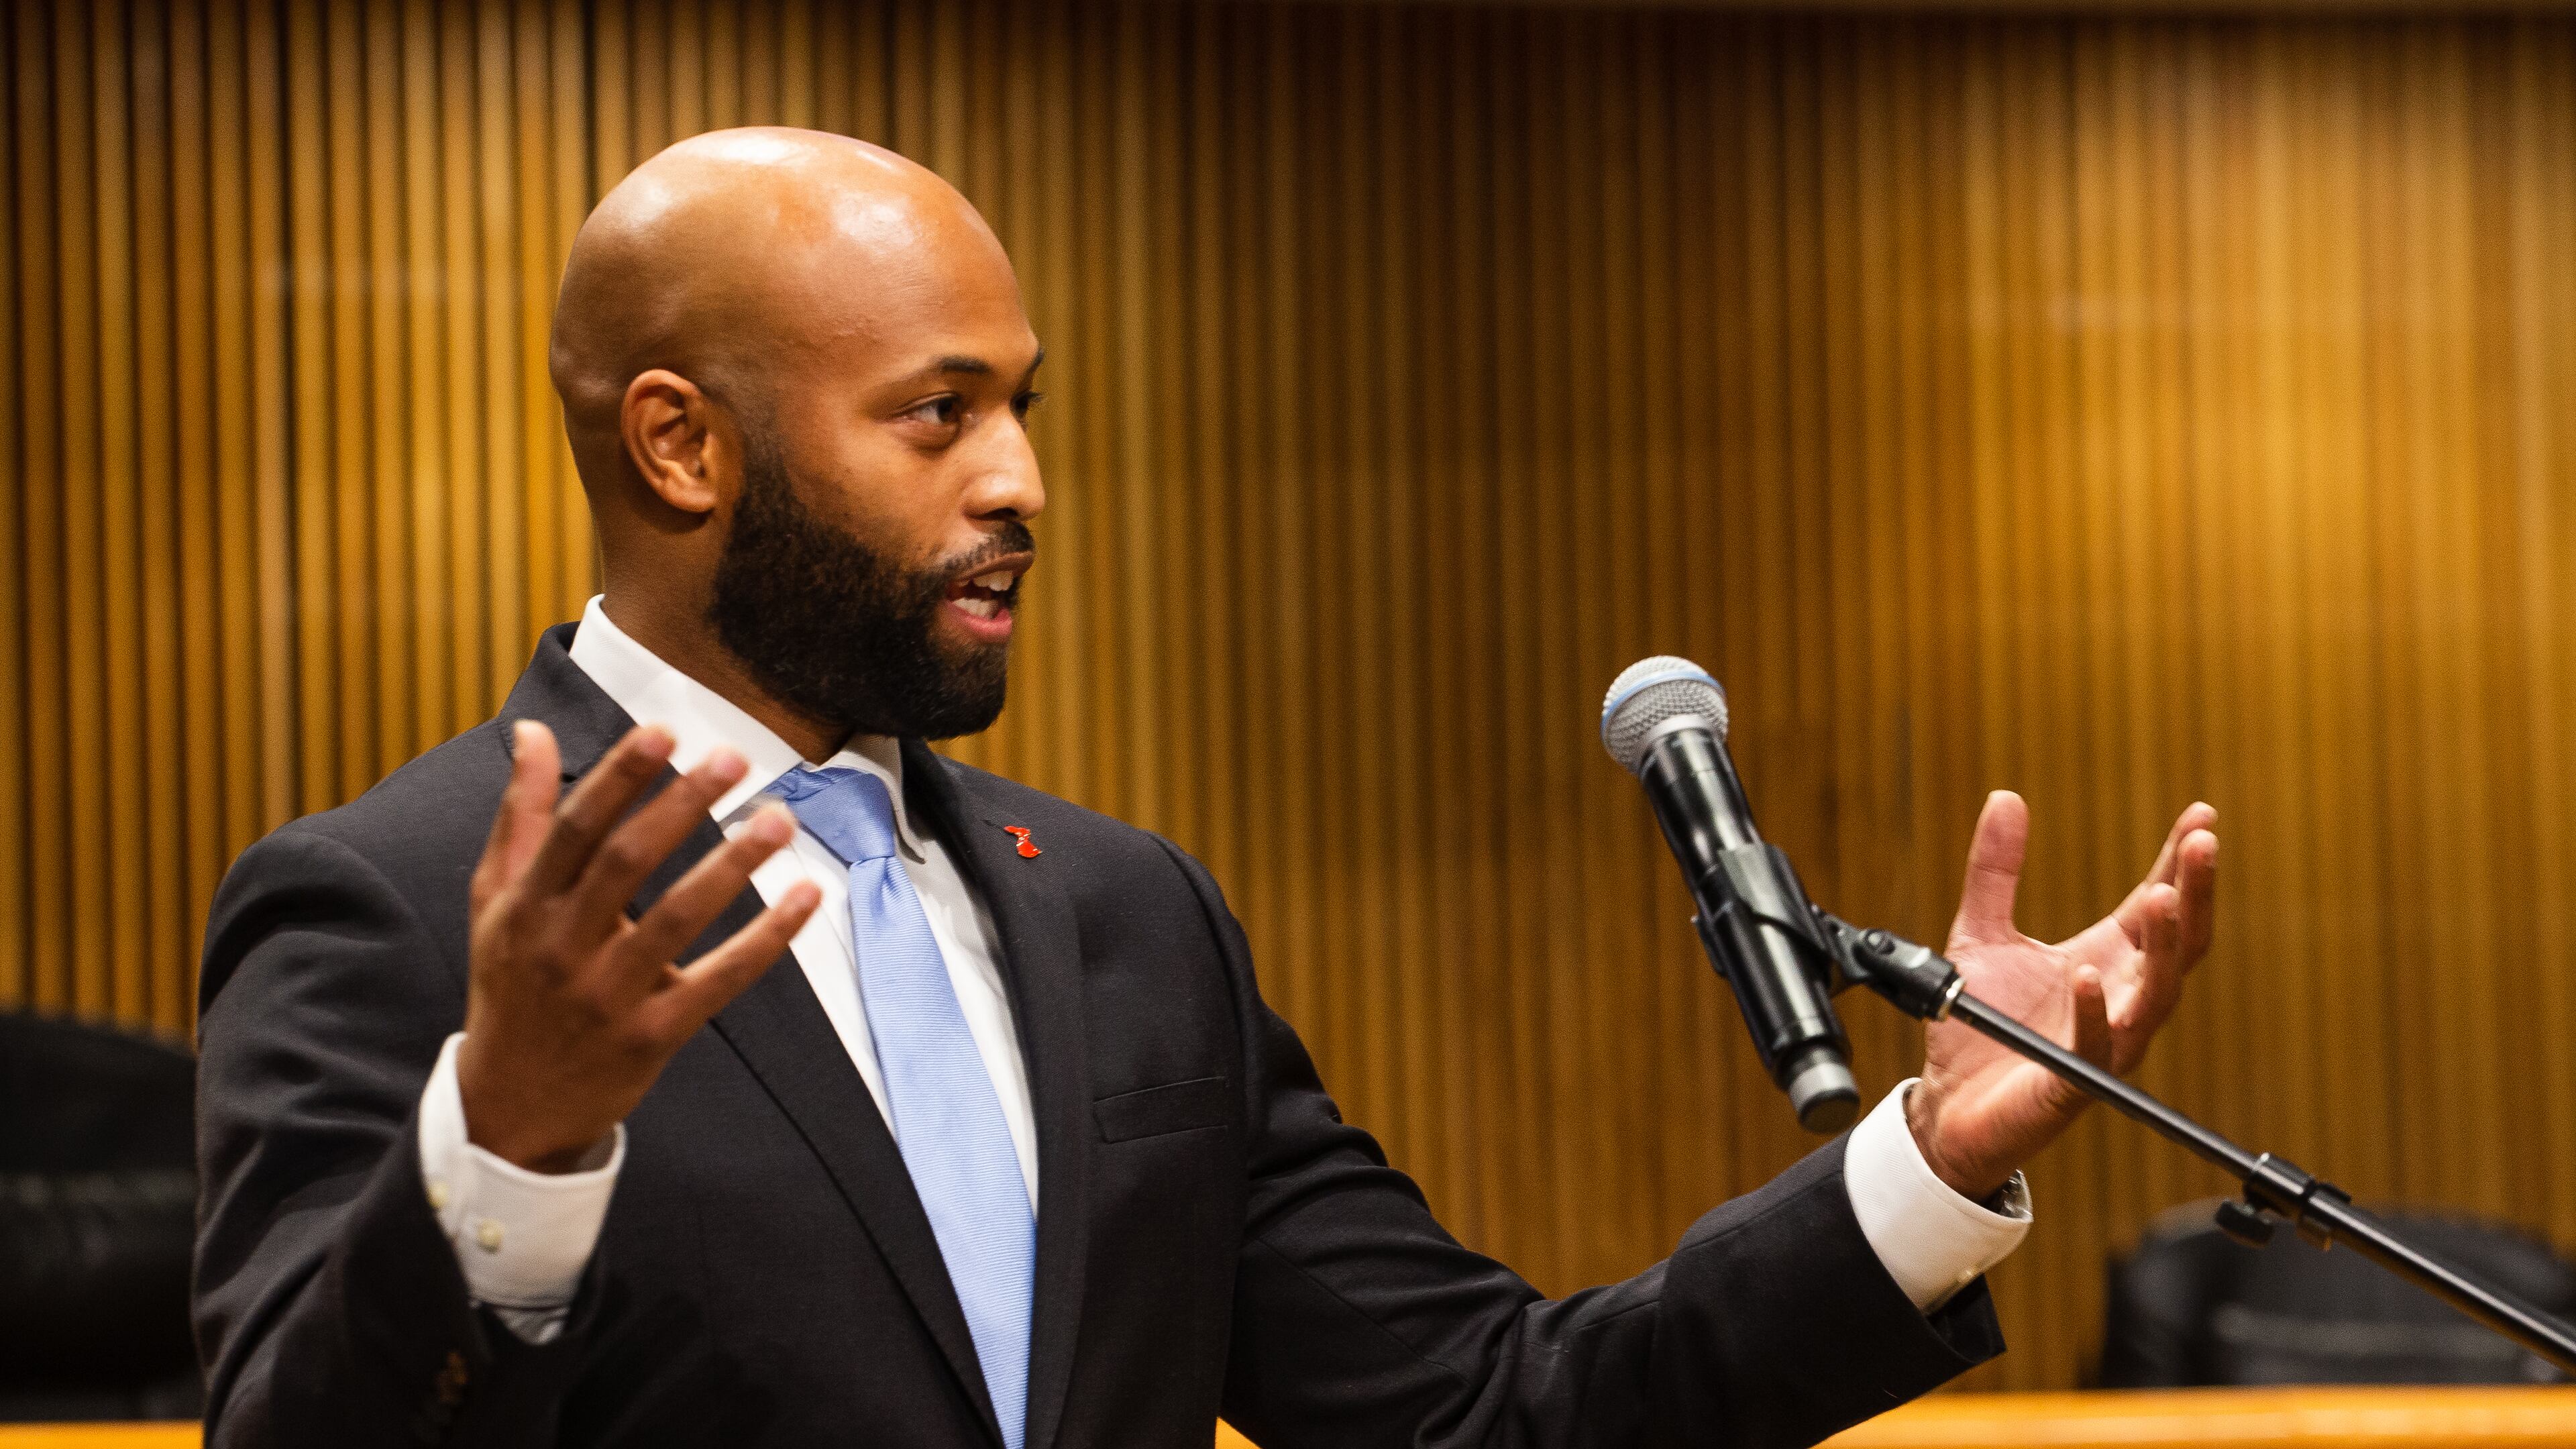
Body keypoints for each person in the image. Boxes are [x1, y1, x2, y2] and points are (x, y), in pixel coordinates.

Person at [192, 128, 2220, 1449]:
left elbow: (1481, 1411)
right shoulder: (393, 906)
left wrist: (1929, 1171)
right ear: (683, 447)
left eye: (1025, 407)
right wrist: (510, 1150)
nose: (1021, 483)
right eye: (939, 416)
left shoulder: (1125, 920)